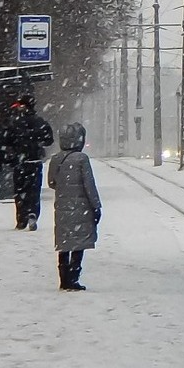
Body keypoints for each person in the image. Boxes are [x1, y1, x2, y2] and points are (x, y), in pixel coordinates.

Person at [49, 122, 100, 290]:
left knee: (64, 243)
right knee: (79, 242)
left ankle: (63, 279)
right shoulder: (82, 159)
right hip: (82, 207)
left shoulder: (56, 158)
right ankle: (74, 277)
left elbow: (51, 182)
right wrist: (96, 206)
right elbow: (89, 185)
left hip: (62, 206)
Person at [4, 97, 54, 231]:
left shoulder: (15, 122)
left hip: (20, 162)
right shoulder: (40, 122)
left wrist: (14, 153)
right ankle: (33, 214)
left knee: (20, 191)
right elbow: (49, 139)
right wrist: (38, 144)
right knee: (34, 190)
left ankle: (21, 219)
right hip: (35, 161)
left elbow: (7, 140)